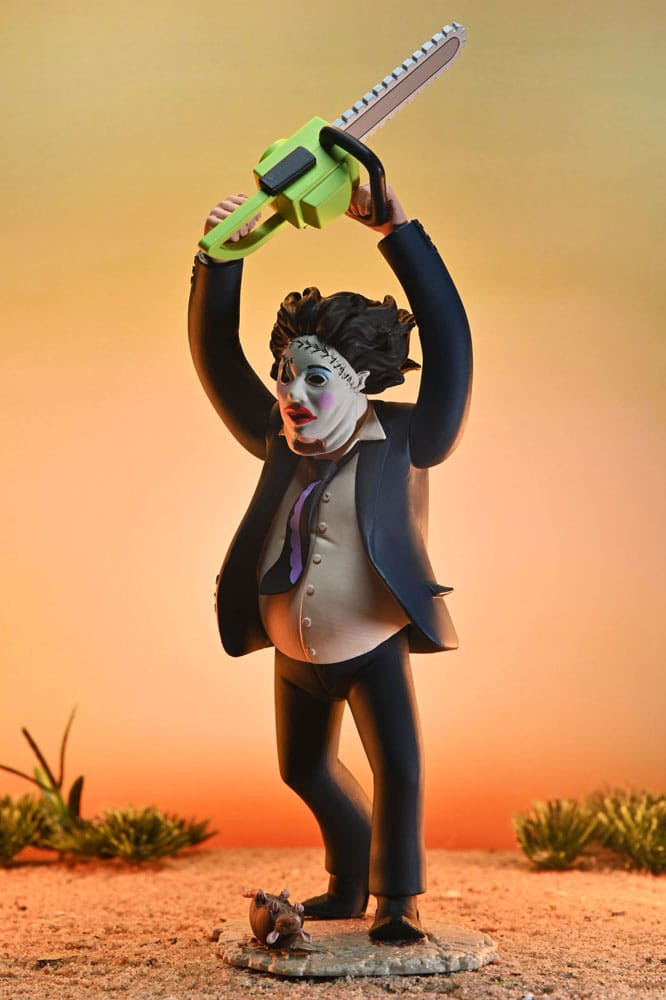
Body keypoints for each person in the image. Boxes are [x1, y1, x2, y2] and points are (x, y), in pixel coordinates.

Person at [188, 183, 472, 940]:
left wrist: (398, 232)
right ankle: (348, 879)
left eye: (317, 377)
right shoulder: (277, 437)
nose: (293, 391)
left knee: (398, 769)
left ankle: (397, 901)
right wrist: (218, 262)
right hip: (293, 649)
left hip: (371, 644)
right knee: (305, 769)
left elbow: (451, 350)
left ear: (361, 382)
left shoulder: (409, 439)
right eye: (286, 372)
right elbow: (217, 358)